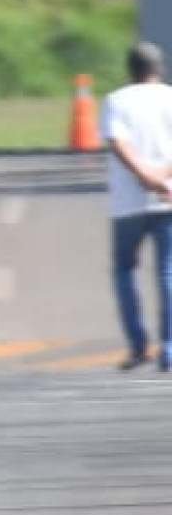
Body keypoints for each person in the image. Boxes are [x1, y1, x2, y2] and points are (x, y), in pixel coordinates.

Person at [103, 43, 172, 372]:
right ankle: (169, 348)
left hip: (127, 203)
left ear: (130, 70)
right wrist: (161, 176)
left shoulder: (116, 100)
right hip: (167, 197)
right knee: (167, 273)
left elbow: (118, 142)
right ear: (159, 68)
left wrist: (144, 176)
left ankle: (138, 346)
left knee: (124, 269)